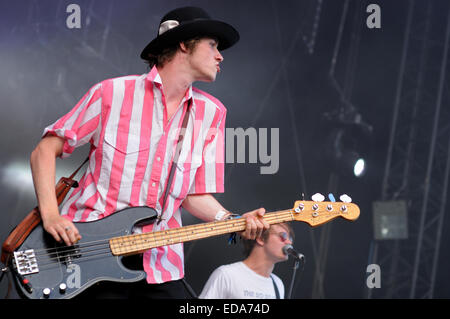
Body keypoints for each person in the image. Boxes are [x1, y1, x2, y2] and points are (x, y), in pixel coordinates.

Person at [29, 6, 269, 299]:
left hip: (160, 261)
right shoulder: (111, 94)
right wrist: (51, 216)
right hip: (87, 254)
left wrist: (231, 220)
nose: (220, 56)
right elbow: (44, 150)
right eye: (213, 45)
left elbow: (192, 194)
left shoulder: (212, 114)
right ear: (184, 43)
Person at [199, 222, 294, 299]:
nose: (289, 242)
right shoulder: (226, 275)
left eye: (290, 238)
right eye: (283, 236)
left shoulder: (277, 284)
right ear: (260, 238)